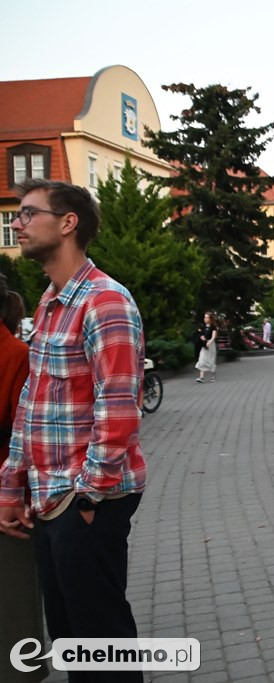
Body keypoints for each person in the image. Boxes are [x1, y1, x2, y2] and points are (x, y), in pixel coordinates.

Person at [0, 179, 147, 683]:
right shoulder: (47, 302)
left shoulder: (105, 301)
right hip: (48, 495)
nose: (16, 224)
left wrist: (89, 498)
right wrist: (11, 486)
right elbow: (31, 405)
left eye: (26, 214)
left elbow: (120, 407)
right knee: (68, 638)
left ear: (68, 223)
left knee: (99, 640)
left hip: (85, 501)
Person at [0, 274, 47, 683]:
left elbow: (23, 429)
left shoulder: (14, 353)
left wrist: (14, 493)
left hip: (5, 504)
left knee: (14, 611)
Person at [194, 311, 217, 383]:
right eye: (205, 317)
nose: (205, 319)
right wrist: (201, 337)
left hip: (211, 345)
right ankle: (201, 377)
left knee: (211, 360)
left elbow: (213, 337)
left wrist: (209, 342)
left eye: (207, 317)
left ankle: (213, 376)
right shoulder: (203, 326)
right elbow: (200, 334)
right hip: (204, 345)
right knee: (201, 359)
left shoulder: (213, 327)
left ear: (210, 319)